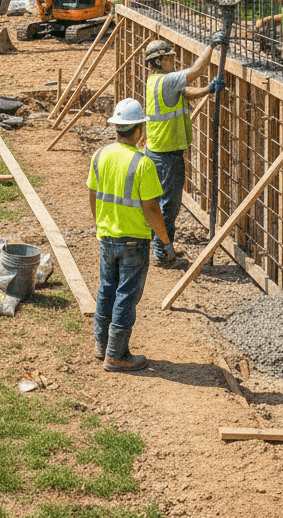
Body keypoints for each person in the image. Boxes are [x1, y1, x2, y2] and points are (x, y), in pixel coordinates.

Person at [89, 98, 175, 372]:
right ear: (139, 130)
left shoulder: (100, 155)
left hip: (107, 236)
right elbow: (151, 209)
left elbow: (92, 194)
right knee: (126, 294)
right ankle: (116, 355)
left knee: (107, 288)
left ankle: (102, 346)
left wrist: (102, 224)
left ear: (117, 128)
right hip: (133, 241)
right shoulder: (143, 164)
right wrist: (166, 242)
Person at [143, 34, 223, 267]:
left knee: (160, 202)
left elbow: (186, 92)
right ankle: (163, 253)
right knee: (169, 205)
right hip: (167, 155)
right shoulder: (165, 81)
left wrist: (208, 90)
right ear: (157, 62)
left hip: (158, 151)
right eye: (168, 58)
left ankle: (160, 244)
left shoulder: (157, 81)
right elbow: (196, 71)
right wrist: (212, 45)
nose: (173, 62)